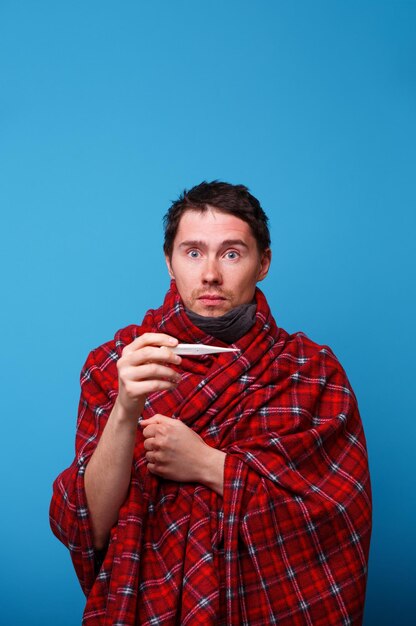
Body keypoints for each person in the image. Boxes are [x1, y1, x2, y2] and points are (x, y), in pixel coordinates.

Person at [50, 181, 372, 625]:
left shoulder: (313, 370)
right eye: (193, 252)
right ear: (169, 262)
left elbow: (337, 517)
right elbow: (89, 525)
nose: (211, 275)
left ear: (264, 263)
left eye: (232, 253)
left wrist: (207, 464)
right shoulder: (118, 362)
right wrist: (126, 408)